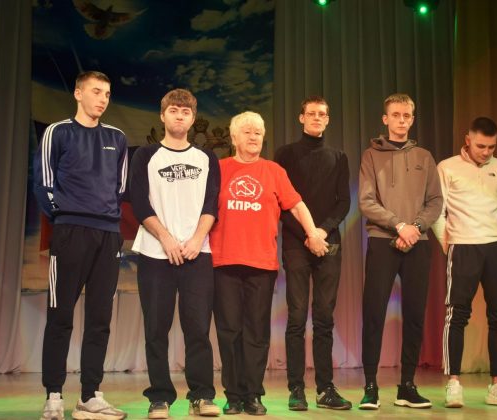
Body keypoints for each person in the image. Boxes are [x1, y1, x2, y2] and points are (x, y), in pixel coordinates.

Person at [210, 111, 327, 416]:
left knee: (257, 332)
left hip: (261, 264)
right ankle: (233, 395)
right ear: (234, 137)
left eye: (258, 133)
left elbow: (297, 206)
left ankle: (252, 394)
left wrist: (313, 232)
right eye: (247, 132)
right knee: (229, 330)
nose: (254, 137)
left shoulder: (274, 171)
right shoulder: (219, 169)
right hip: (224, 261)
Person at [33, 70, 128, 420]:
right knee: (60, 316)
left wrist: (107, 220)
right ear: (78, 93)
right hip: (70, 232)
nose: (102, 99)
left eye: (107, 94)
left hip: (108, 235)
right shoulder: (58, 132)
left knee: (100, 319)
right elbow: (43, 183)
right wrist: (65, 216)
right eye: (96, 91)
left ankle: (90, 395)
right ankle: (54, 395)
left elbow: (120, 188)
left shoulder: (116, 137)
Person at [129, 89, 221, 419]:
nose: (179, 116)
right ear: (162, 115)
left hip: (197, 253)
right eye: (173, 110)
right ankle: (159, 397)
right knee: (156, 329)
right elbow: (139, 202)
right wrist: (166, 238)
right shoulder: (145, 155)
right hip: (156, 253)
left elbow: (212, 204)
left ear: (193, 119)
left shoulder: (207, 158)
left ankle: (202, 395)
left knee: (198, 329)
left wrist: (197, 239)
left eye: (185, 112)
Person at [358, 93, 442, 410]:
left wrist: (415, 227)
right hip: (383, 241)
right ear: (385, 119)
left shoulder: (424, 156)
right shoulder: (371, 156)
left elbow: (435, 201)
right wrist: (399, 225)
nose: (402, 120)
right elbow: (366, 201)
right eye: (396, 115)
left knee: (415, 315)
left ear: (412, 119)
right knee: (374, 313)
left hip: (418, 243)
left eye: (407, 115)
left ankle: (407, 386)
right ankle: (370, 386)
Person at [431, 117, 497, 408]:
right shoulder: (447, 167)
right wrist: (448, 242)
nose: (486, 152)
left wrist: (491, 231)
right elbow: (437, 211)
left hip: (495, 247)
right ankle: (454, 382)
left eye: (491, 147)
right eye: (481, 146)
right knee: (457, 314)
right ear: (468, 140)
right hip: (462, 247)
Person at [274, 96, 351, 411]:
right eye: (311, 113)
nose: (317, 117)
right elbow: (281, 203)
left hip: (328, 242)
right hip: (296, 242)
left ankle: (325, 388)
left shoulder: (338, 157)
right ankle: (296, 389)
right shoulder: (285, 154)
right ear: (301, 118)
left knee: (324, 317)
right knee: (296, 317)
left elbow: (343, 202)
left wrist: (321, 232)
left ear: (328, 120)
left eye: (322, 114)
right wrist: (308, 234)